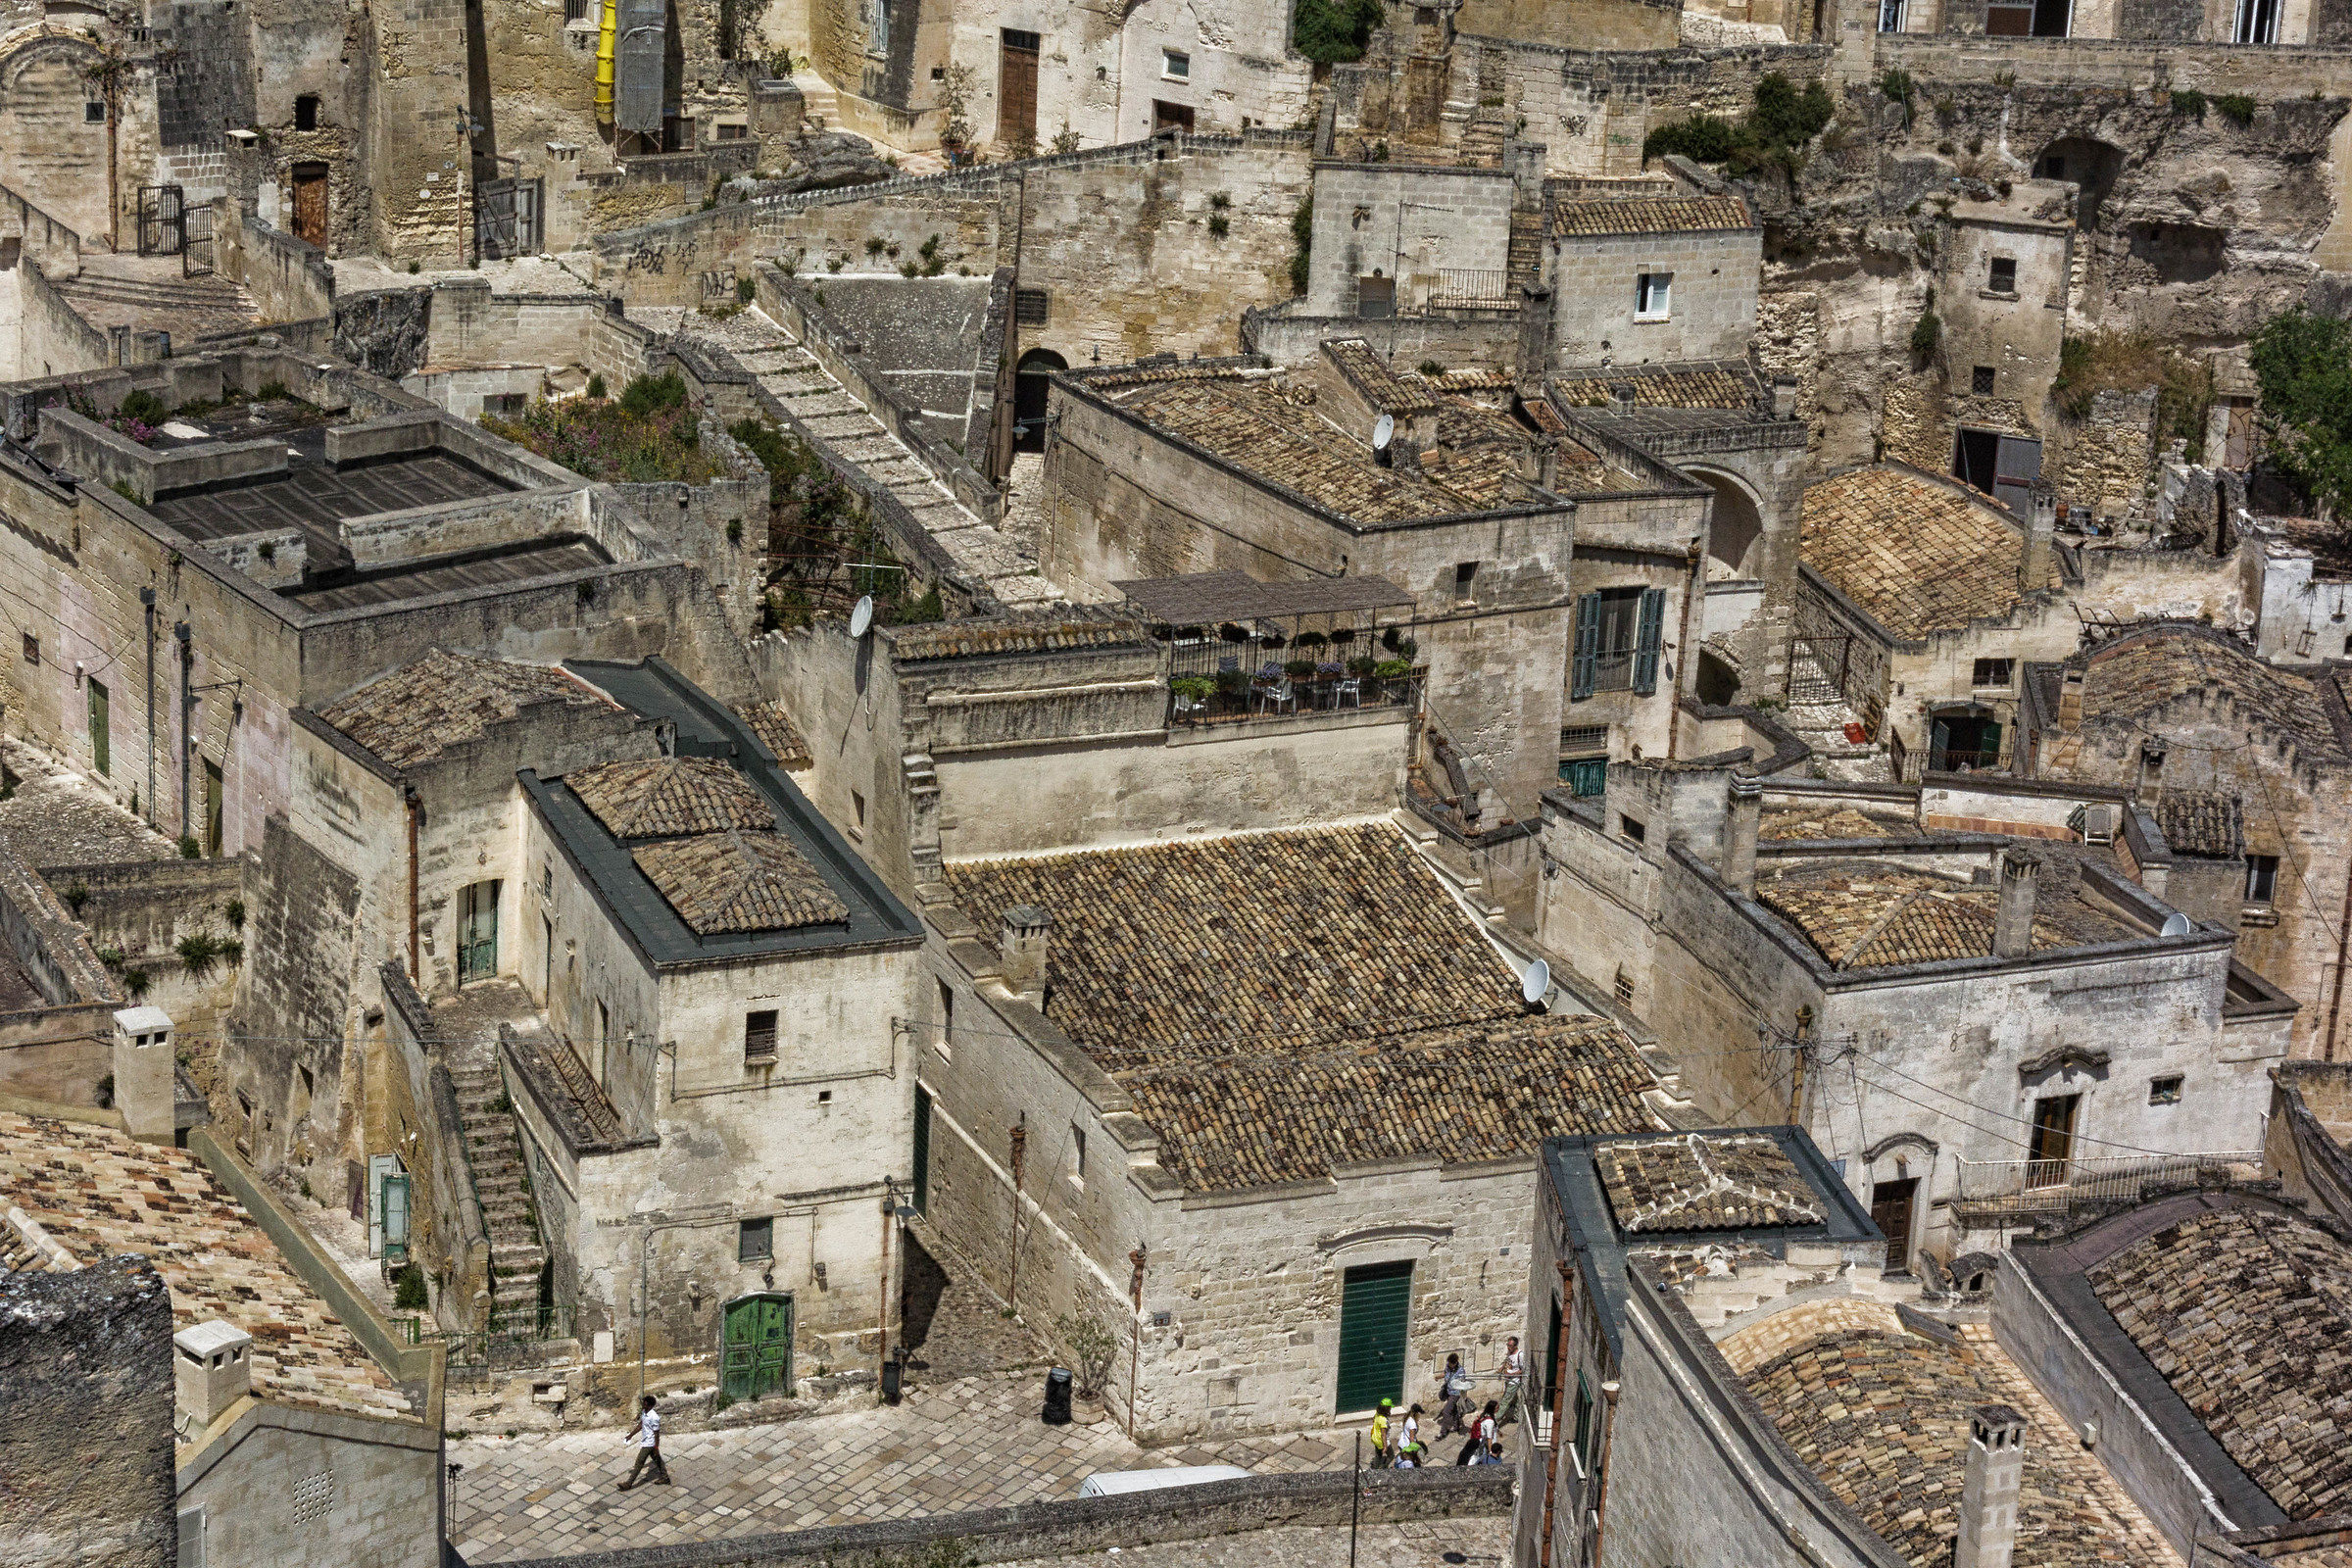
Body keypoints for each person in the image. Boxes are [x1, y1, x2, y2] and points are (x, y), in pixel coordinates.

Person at [618, 1394, 670, 1489]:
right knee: (657, 1459)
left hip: (650, 1443)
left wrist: (656, 1447)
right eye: (643, 1404)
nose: (643, 1405)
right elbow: (640, 1425)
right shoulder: (644, 1412)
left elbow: (656, 1434)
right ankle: (665, 1477)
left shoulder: (654, 1418)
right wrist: (630, 1435)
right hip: (646, 1441)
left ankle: (628, 1484)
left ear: (650, 1406)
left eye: (645, 1404)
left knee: (639, 1462)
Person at [1436, 1353, 1472, 1439]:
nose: (1448, 1365)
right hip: (1448, 1391)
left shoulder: (1461, 1371)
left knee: (1446, 1412)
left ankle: (1443, 1431)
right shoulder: (1448, 1366)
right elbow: (1445, 1373)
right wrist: (1438, 1377)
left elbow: (1463, 1384)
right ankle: (1456, 1426)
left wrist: (1463, 1397)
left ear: (1455, 1363)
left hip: (1455, 1394)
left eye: (1450, 1363)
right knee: (1454, 1410)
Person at [1456, 1398, 1499, 1465]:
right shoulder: (1490, 1422)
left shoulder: (1485, 1415)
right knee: (1477, 1458)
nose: (1499, 1408)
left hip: (1480, 1440)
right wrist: (1491, 1453)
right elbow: (1489, 1439)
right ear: (1492, 1409)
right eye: (1497, 1407)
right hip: (1484, 1443)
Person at [1497, 1336, 1526, 1427]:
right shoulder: (1510, 1352)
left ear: (1515, 1346)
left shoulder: (1520, 1355)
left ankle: (1495, 1419)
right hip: (1508, 1380)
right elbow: (1507, 1362)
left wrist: (1511, 1375)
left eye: (1510, 1345)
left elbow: (1523, 1370)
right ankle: (1516, 1416)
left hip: (1514, 1381)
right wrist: (1501, 1368)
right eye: (1508, 1345)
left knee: (1505, 1400)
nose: (1508, 1347)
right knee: (1515, 1398)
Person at [1369, 1396, 1394, 1466]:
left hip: (1375, 1438)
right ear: (1387, 1409)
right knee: (1391, 1456)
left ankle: (1375, 1467)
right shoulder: (1383, 1420)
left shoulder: (1377, 1414)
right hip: (1381, 1441)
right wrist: (1385, 1446)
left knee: (1378, 1455)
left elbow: (1373, 1419)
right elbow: (1383, 1435)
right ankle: (1383, 1467)